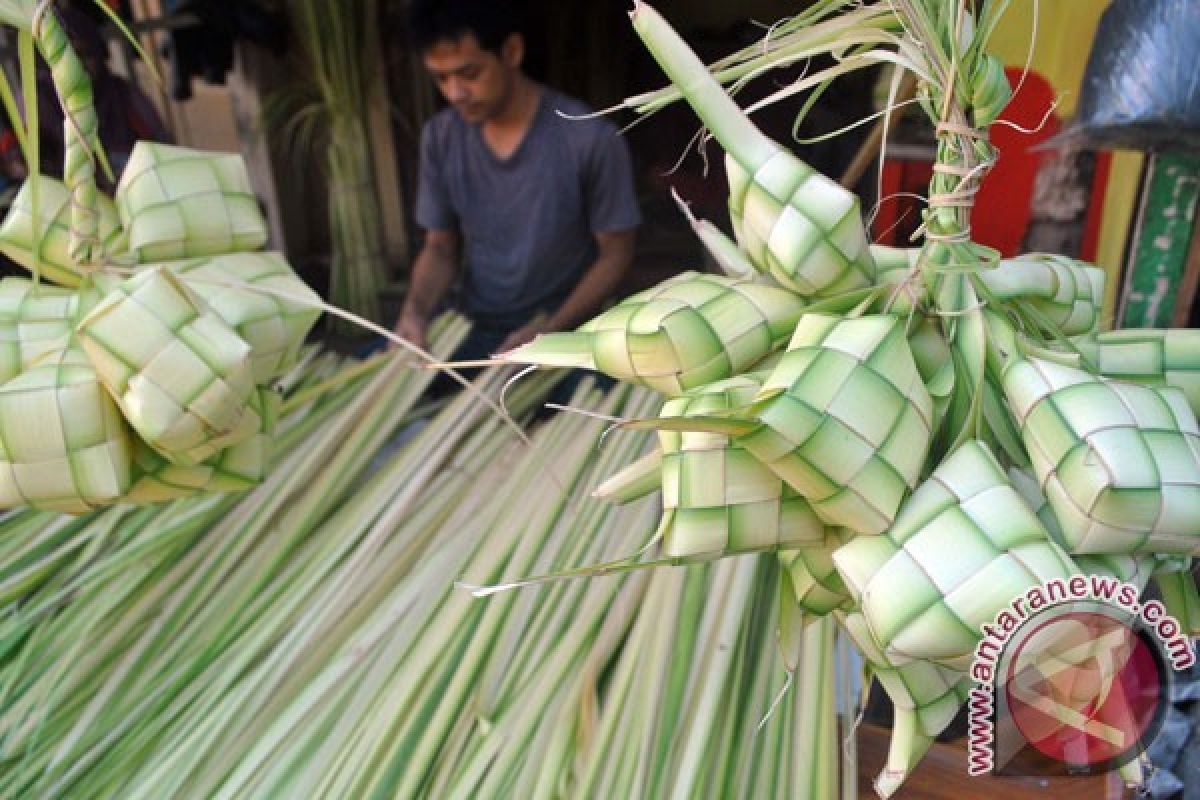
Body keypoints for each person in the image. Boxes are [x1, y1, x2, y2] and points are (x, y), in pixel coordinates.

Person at [393, 0, 640, 362]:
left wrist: (552, 332)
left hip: (568, 332)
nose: (454, 93)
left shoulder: (589, 138)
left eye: (469, 73)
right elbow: (440, 248)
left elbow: (615, 255)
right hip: (475, 327)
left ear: (511, 51)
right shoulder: (440, 137)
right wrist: (414, 312)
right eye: (441, 78)